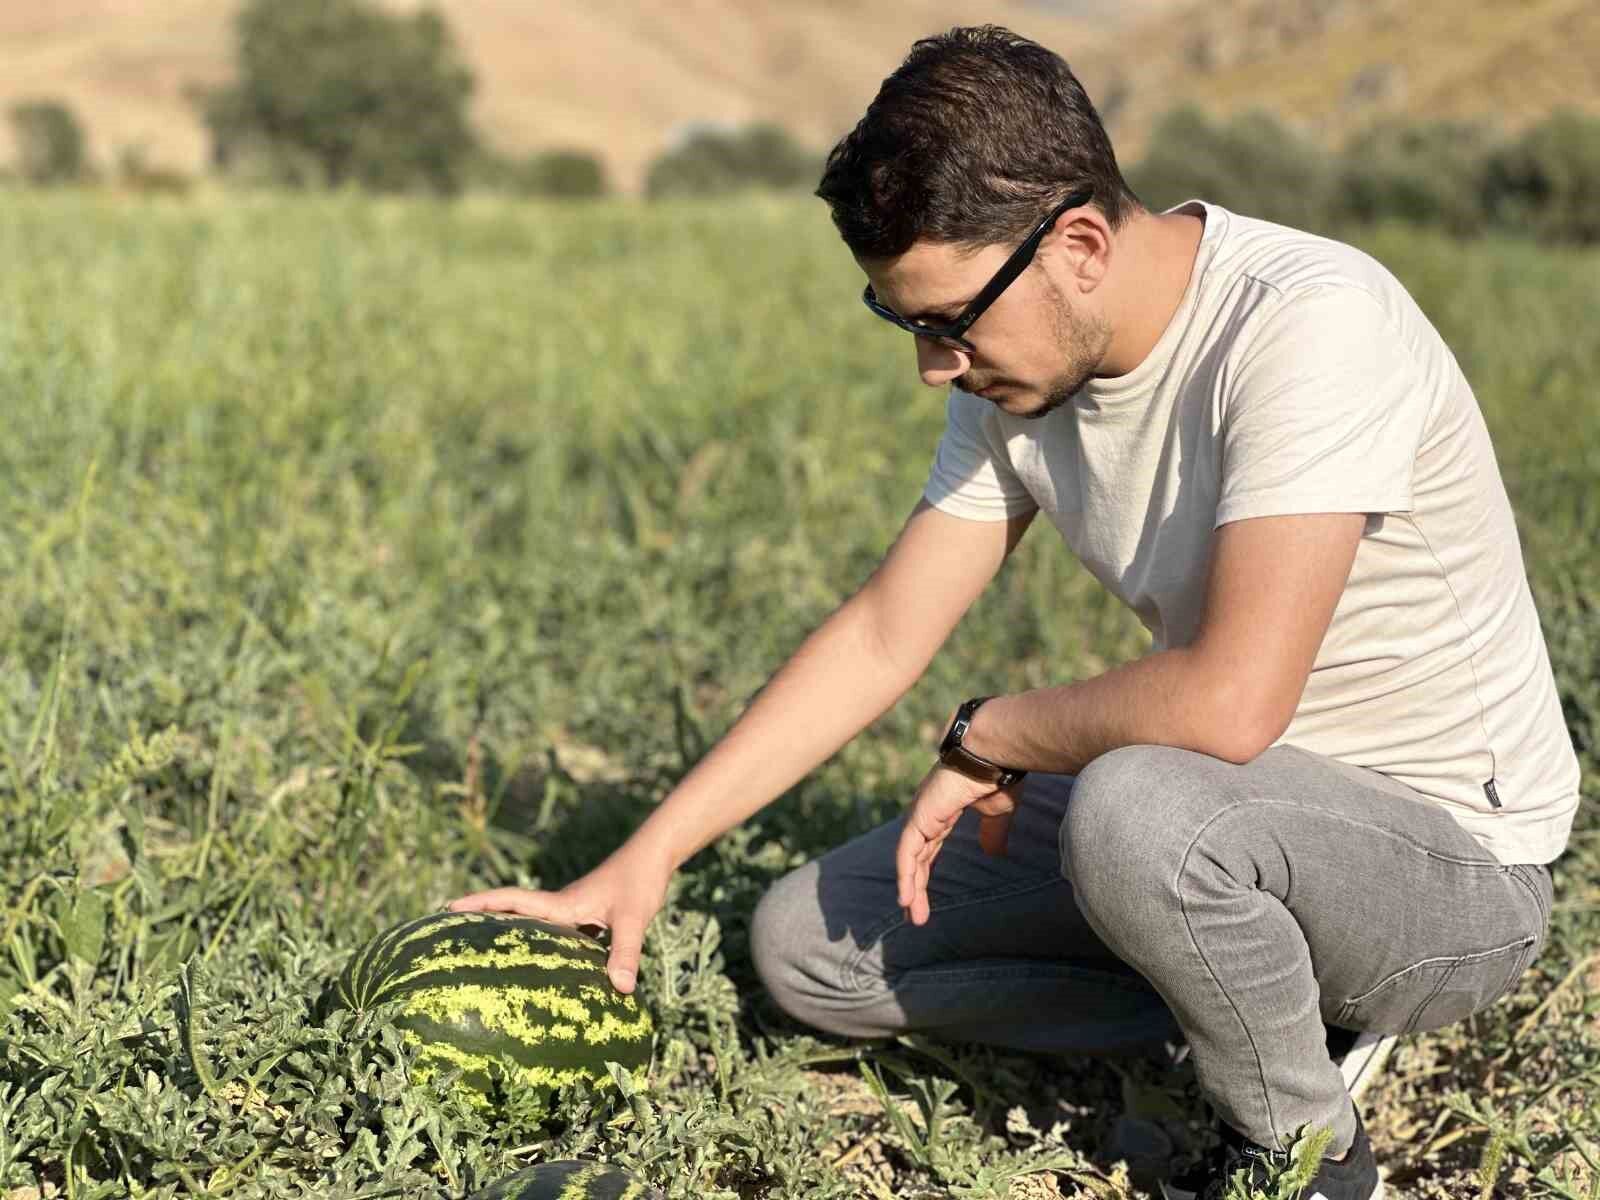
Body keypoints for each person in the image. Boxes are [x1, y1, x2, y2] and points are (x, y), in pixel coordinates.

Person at [448, 25, 1579, 1200]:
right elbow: (885, 629)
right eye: (905, 325)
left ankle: (1304, 1155)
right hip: (1229, 819)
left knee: (1140, 807)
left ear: (1078, 243)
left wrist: (993, 732)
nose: (933, 366)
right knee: (807, 950)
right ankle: (1237, 1014)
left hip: (1452, 869)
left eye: (948, 322)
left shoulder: (1309, 324)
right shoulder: (1023, 374)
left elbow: (1230, 702)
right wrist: (645, 859)